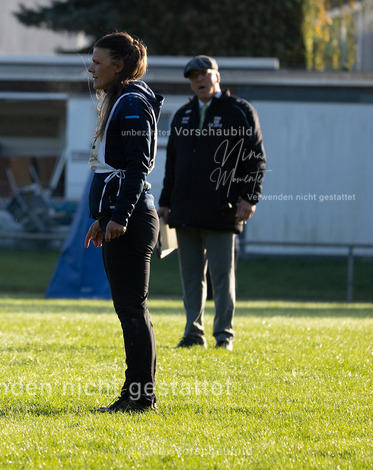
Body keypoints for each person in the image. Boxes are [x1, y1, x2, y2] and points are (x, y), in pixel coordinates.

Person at [159, 55, 266, 351]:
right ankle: (193, 334)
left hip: (224, 210)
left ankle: (224, 336)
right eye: (194, 76)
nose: (199, 80)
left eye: (204, 74)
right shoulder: (182, 115)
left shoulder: (239, 111)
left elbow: (255, 158)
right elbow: (173, 164)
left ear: (217, 76)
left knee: (221, 275)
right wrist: (165, 203)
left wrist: (250, 197)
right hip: (184, 212)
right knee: (191, 277)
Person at [83, 31, 163, 414]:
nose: (91, 68)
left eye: (98, 62)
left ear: (118, 66)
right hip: (120, 218)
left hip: (132, 220)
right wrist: (102, 218)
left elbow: (137, 167)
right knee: (130, 309)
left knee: (132, 309)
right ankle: (138, 394)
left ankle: (139, 397)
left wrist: (120, 216)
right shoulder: (120, 99)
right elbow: (112, 169)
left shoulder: (131, 103)